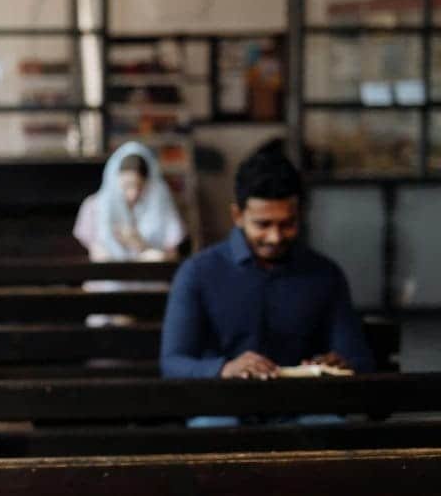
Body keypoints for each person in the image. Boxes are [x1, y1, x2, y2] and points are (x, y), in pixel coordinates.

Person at [160, 147, 375, 383]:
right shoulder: (198, 273)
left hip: (302, 405)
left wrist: (340, 362)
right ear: (237, 216)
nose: (275, 237)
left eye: (287, 224)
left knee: (326, 422)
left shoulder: (324, 274)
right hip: (222, 405)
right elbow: (173, 363)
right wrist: (224, 369)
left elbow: (357, 357)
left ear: (300, 215)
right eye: (263, 224)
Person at [73, 141, 185, 262]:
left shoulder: (162, 206)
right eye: (127, 185)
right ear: (115, 180)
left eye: (140, 186)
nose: (133, 193)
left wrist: (143, 246)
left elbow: (172, 255)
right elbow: (96, 254)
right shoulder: (94, 206)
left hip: (149, 277)